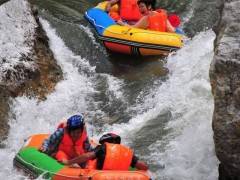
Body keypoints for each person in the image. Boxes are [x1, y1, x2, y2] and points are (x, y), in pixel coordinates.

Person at [60, 133, 148, 171]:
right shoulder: (127, 152)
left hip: (101, 176)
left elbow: (87, 156)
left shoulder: (103, 147)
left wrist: (69, 162)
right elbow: (143, 167)